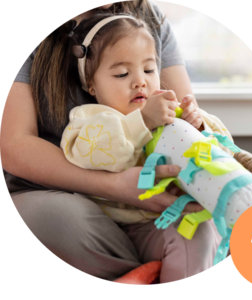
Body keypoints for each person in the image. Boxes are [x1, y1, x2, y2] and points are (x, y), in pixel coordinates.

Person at [0, 2, 227, 284]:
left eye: (149, 70)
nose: (140, 83)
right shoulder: (89, 120)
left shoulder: (150, 18)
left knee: (199, 230)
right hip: (59, 195)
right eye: (122, 74)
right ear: (90, 85)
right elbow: (21, 147)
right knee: (68, 220)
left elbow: (200, 137)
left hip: (147, 214)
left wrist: (196, 122)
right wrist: (122, 176)